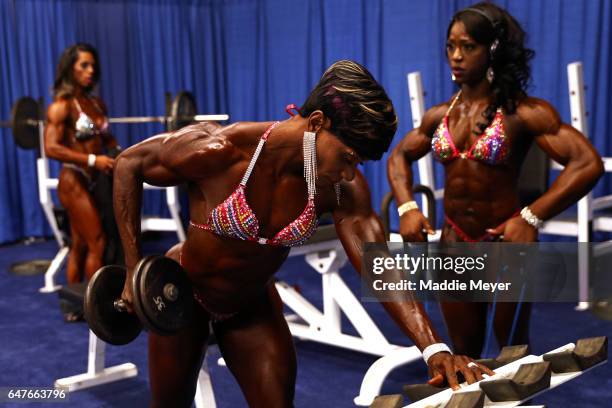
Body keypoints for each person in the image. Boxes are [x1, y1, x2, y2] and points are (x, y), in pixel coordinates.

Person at [113, 60, 493, 407]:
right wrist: (132, 269)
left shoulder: (340, 187)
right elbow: (129, 164)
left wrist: (434, 349)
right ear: (316, 123)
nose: (348, 174)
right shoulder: (222, 150)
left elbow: (379, 265)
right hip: (184, 295)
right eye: (347, 158)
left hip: (250, 304)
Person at [387, 2, 604, 359]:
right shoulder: (439, 115)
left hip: (506, 246)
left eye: (468, 47)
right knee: (465, 353)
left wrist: (531, 216)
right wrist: (407, 206)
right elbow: (399, 157)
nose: (456, 57)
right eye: (450, 47)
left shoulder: (524, 112)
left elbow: (586, 163)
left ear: (492, 51)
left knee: (513, 354)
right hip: (454, 242)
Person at [44, 43, 123, 321]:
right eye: (84, 65)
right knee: (97, 240)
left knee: (79, 243)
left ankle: (72, 306)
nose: (91, 71)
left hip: (97, 177)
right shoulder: (60, 106)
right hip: (73, 178)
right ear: (70, 68)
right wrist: (92, 161)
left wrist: (119, 154)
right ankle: (96, 307)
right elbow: (51, 148)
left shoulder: (96, 104)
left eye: (93, 65)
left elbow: (107, 139)